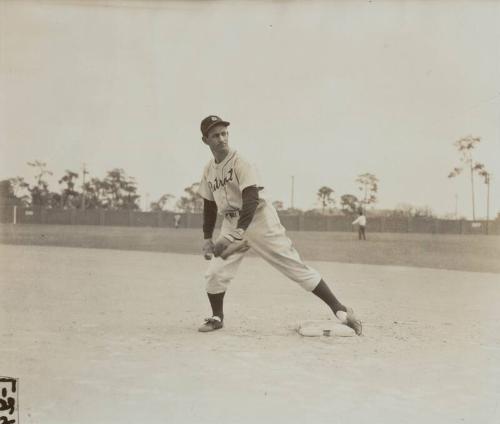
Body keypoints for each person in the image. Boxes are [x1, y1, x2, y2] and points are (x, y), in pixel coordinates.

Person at [196, 115, 362, 335]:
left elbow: (252, 199)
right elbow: (208, 204)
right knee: (215, 272)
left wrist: (236, 234)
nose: (222, 138)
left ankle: (339, 309)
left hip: (259, 220)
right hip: (231, 222)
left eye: (224, 133)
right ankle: (217, 316)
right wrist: (208, 236)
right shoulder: (209, 169)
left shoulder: (241, 162)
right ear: (205, 140)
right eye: (215, 135)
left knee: (292, 265)